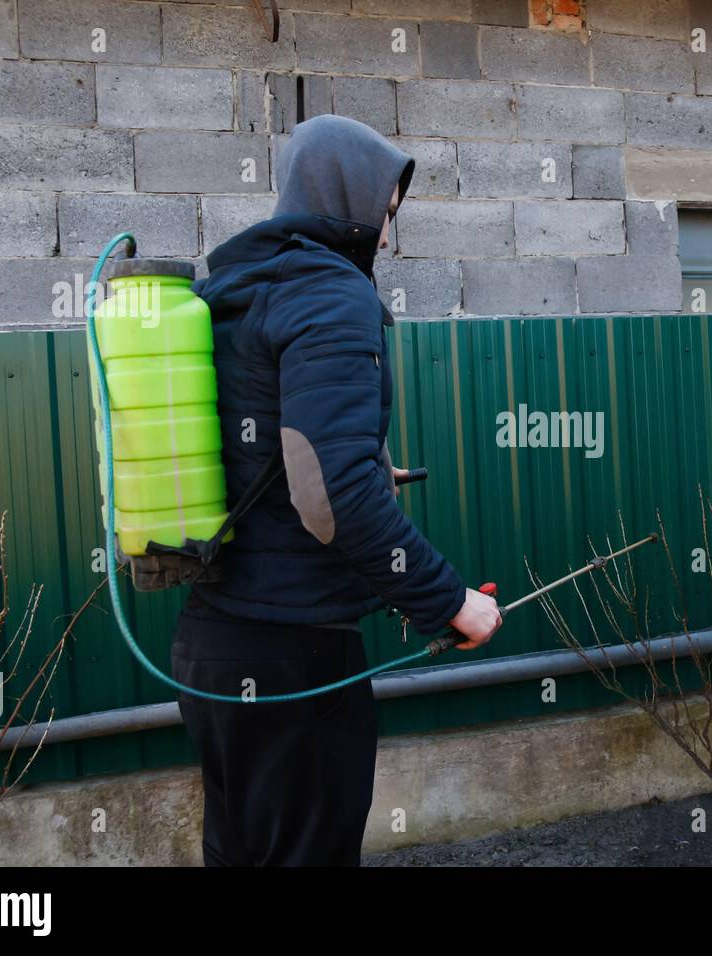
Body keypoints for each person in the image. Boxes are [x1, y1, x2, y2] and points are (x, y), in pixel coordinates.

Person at [170, 115, 502, 867]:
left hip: (214, 647)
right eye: (387, 214)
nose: (387, 238)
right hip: (295, 659)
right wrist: (449, 603)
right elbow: (336, 498)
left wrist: (358, 472)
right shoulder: (330, 295)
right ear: (350, 198)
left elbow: (279, 459)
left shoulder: (236, 289)